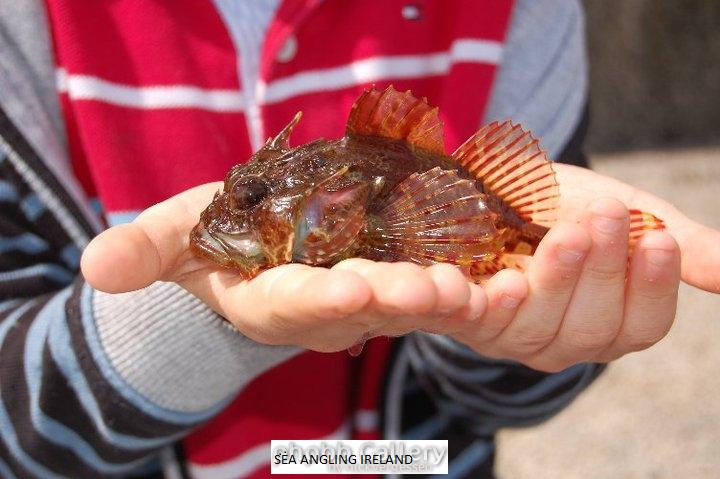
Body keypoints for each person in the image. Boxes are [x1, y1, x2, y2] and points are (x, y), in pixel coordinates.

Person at [0, 0, 718, 477]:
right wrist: (202, 314)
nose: (229, 221)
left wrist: (516, 330)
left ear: (340, 208)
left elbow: (501, 394)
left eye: (251, 203)